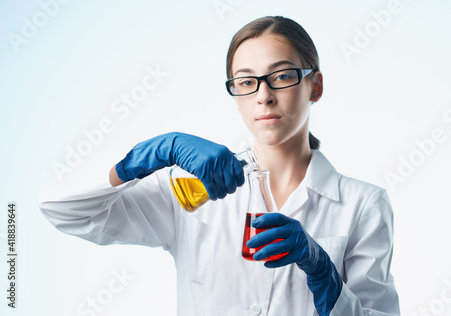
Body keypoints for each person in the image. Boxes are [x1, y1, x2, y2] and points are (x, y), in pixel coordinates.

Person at [39, 16, 400, 316]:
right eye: (246, 81)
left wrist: (323, 274)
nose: (264, 94)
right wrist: (145, 156)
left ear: (314, 86)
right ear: (236, 96)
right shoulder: (189, 192)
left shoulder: (363, 204)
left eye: (282, 75)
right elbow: (61, 209)